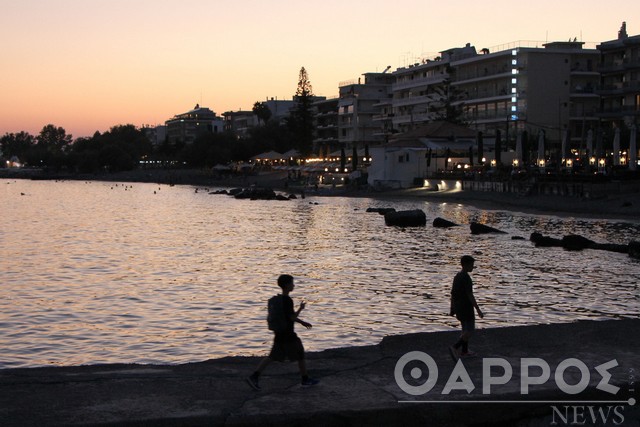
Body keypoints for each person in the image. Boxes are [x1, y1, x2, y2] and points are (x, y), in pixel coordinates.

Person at [247, 274, 319, 390]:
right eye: (292, 283)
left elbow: (290, 316)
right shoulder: (287, 300)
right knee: (300, 353)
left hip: (279, 332)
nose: (293, 285)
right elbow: (291, 318)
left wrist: (300, 309)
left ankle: (254, 376)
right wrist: (303, 322)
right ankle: (305, 379)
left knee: (272, 357)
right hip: (288, 334)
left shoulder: (280, 300)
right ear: (286, 285)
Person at [449, 255, 484, 360]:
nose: (473, 267)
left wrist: (452, 308)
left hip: (458, 306)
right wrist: (478, 309)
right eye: (471, 265)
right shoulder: (466, 278)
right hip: (466, 307)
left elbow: (453, 294)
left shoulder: (457, 276)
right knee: (470, 330)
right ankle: (455, 347)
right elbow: (470, 295)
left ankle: (464, 351)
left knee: (465, 329)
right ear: (466, 265)